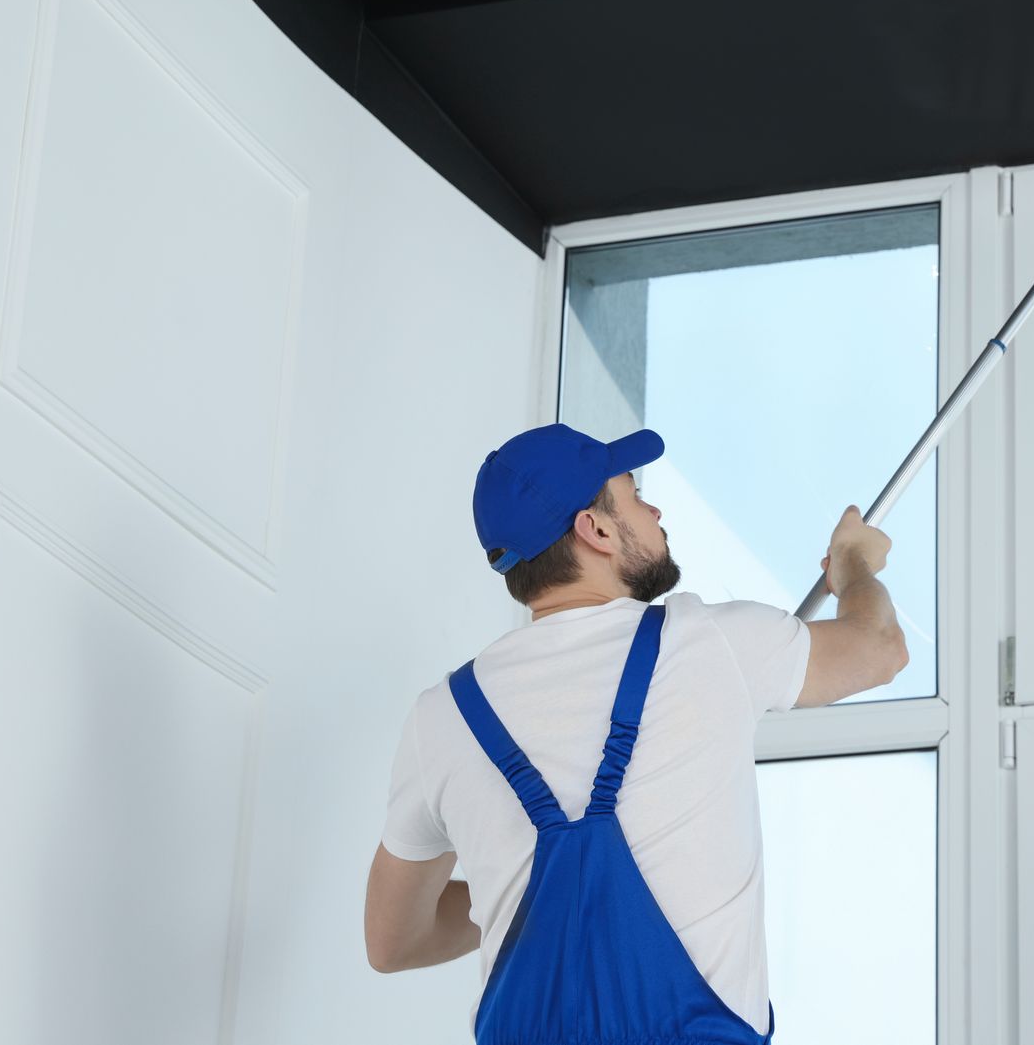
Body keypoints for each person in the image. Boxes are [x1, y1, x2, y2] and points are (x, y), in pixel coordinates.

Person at [363, 422, 907, 1043]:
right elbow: (878, 647)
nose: (654, 509)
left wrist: (506, 895)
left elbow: (392, 942)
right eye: (633, 493)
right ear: (594, 530)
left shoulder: (444, 717)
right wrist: (854, 564)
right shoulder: (705, 641)